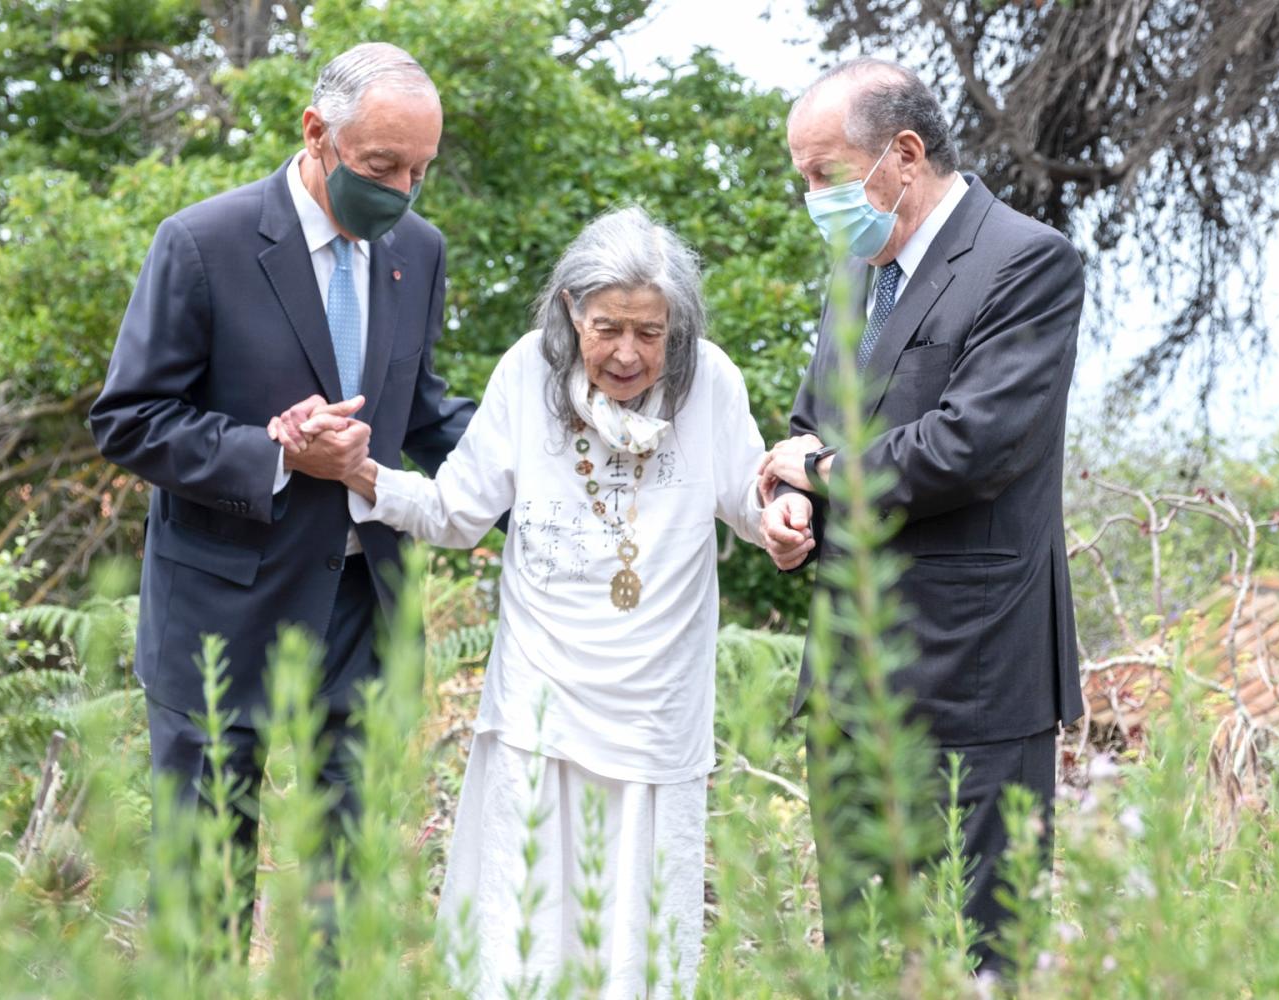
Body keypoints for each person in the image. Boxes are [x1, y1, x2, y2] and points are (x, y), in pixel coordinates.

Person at [290, 205, 765, 997]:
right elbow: (455, 510)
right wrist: (359, 475)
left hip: (657, 709)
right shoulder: (525, 373)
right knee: (522, 933)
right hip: (537, 706)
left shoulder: (708, 379)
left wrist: (782, 514)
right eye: (607, 326)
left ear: (676, 329)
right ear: (572, 310)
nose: (626, 353)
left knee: (639, 944)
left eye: (650, 334)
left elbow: (749, 498)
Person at [88, 43, 475, 943]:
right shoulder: (201, 242)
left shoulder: (417, 250)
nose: (405, 191)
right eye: (384, 167)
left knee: (353, 874)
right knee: (208, 877)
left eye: (422, 168)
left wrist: (549, 451)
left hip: (363, 602)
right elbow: (130, 419)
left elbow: (420, 405)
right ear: (317, 135)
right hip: (223, 604)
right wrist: (272, 451)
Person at [757, 58, 1085, 972]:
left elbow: (973, 447)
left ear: (903, 154)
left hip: (970, 675)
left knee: (974, 953)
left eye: (824, 174)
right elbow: (809, 427)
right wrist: (790, 502)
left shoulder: (1025, 260)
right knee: (860, 958)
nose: (813, 196)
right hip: (849, 675)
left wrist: (818, 471)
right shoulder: (858, 273)